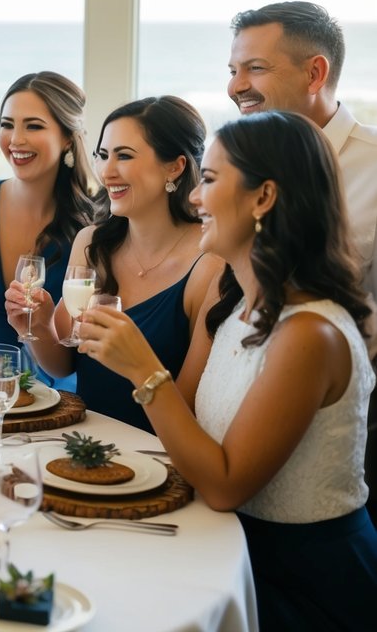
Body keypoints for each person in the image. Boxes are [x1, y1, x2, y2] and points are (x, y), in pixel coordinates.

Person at [78, 111, 377, 629]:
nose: (194, 196)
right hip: (221, 544)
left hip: (300, 582)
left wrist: (146, 373)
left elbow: (224, 484)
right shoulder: (242, 309)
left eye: (210, 180)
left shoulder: (308, 333)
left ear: (263, 198)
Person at [228, 0, 377, 521]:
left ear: (316, 72)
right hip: (233, 406)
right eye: (232, 70)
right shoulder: (235, 167)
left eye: (255, 68)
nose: (235, 86)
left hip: (344, 430)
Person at [6, 96, 222, 432]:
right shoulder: (92, 243)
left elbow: (190, 407)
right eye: (103, 155)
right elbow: (62, 364)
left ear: (175, 166)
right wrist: (36, 326)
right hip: (82, 445)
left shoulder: (209, 264)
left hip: (158, 461)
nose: (106, 172)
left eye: (124, 156)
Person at [0, 72, 97, 389]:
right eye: (7, 124)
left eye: (33, 126)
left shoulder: (91, 224)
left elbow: (83, 337)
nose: (15, 139)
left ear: (67, 136)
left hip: (60, 403)